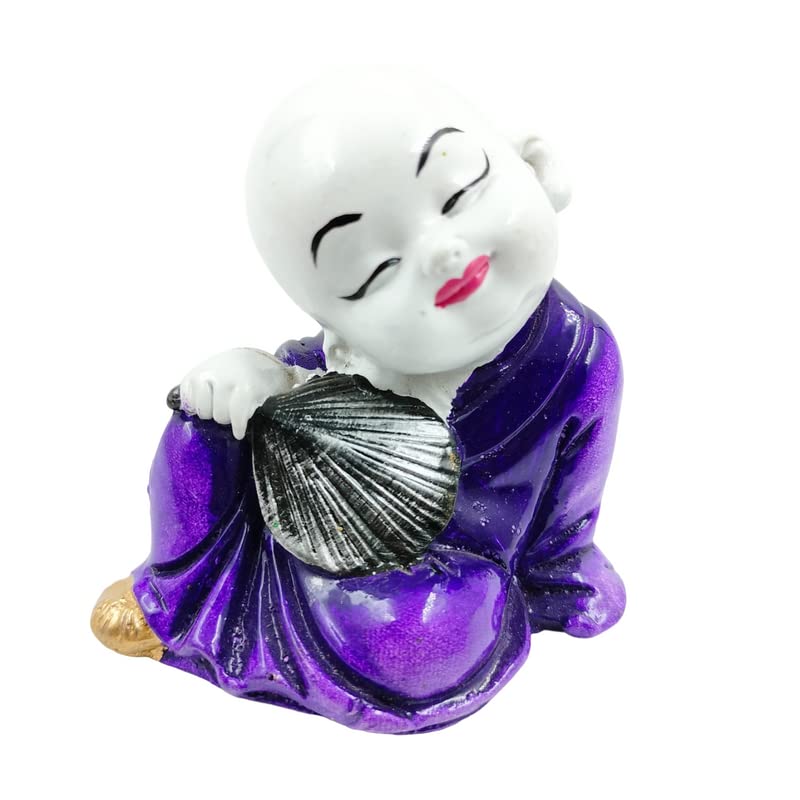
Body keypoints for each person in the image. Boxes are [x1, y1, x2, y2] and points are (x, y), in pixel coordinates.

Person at [91, 71, 625, 733]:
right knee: (200, 423)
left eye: (458, 191)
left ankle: (354, 629)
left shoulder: (581, 355)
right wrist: (254, 379)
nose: (441, 252)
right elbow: (290, 391)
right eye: (373, 270)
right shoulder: (355, 366)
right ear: (339, 333)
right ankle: (174, 597)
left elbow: (571, 503)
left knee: (427, 633)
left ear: (535, 165)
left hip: (436, 569)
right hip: (293, 517)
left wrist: (559, 570)